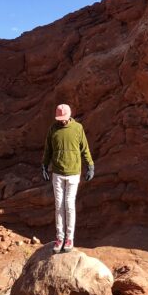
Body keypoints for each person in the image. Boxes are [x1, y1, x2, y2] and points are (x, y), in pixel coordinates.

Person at [41, 103, 94, 253]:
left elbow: (85, 148)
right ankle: (60, 238)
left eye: (64, 118)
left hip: (73, 173)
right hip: (57, 173)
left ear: (69, 116)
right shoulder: (53, 129)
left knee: (69, 204)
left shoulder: (78, 128)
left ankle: (69, 238)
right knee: (59, 205)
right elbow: (48, 150)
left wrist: (90, 165)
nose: (62, 121)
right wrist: (44, 166)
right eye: (60, 118)